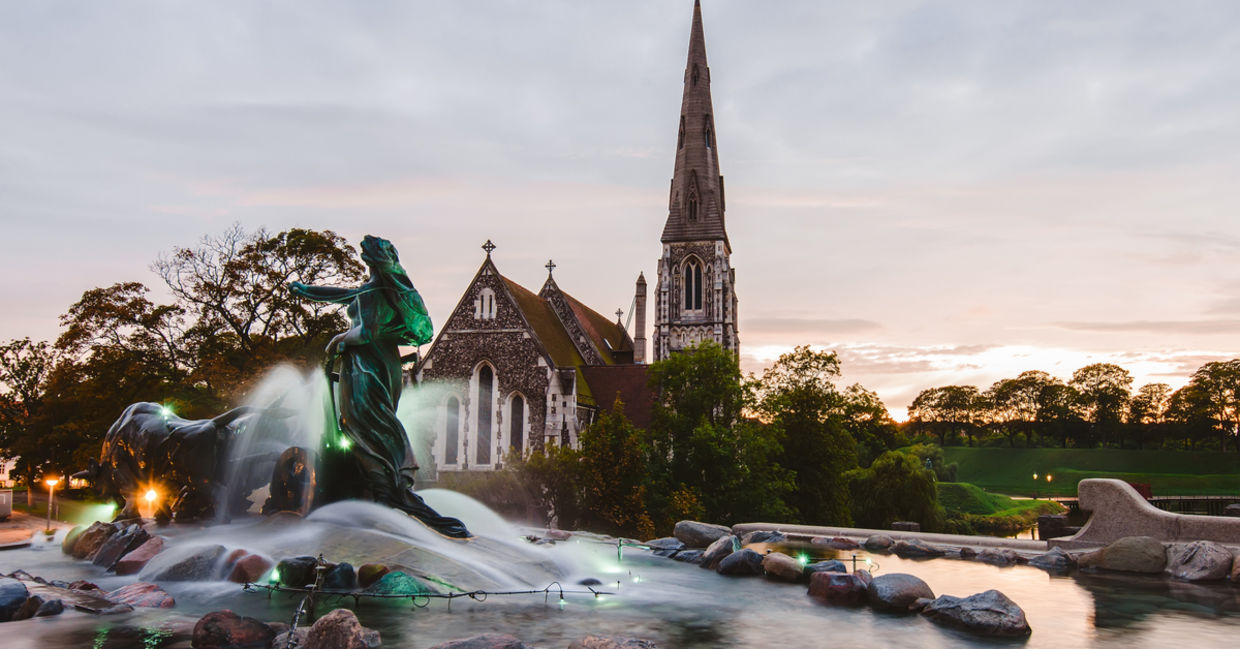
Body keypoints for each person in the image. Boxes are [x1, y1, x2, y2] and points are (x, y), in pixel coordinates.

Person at [290, 235, 470, 538]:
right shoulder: (375, 289)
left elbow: (365, 333)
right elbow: (341, 295)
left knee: (365, 422)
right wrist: (307, 291)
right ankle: (382, 486)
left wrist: (338, 340)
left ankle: (387, 489)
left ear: (373, 259)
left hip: (367, 366)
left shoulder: (376, 292)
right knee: (372, 422)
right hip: (380, 363)